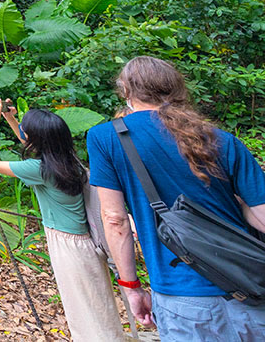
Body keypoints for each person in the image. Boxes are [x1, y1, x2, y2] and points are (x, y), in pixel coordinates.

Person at [87, 55, 265, 339]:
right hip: (252, 285)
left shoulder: (106, 138)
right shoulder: (222, 139)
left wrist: (131, 288)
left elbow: (115, 220)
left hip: (181, 294)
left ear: (126, 92)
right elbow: (261, 216)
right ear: (177, 91)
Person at [0, 100, 124, 341]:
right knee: (96, 305)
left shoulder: (40, 169)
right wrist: (11, 120)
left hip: (68, 246)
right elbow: (32, 141)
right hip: (82, 242)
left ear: (39, 140)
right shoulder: (67, 161)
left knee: (83, 311)